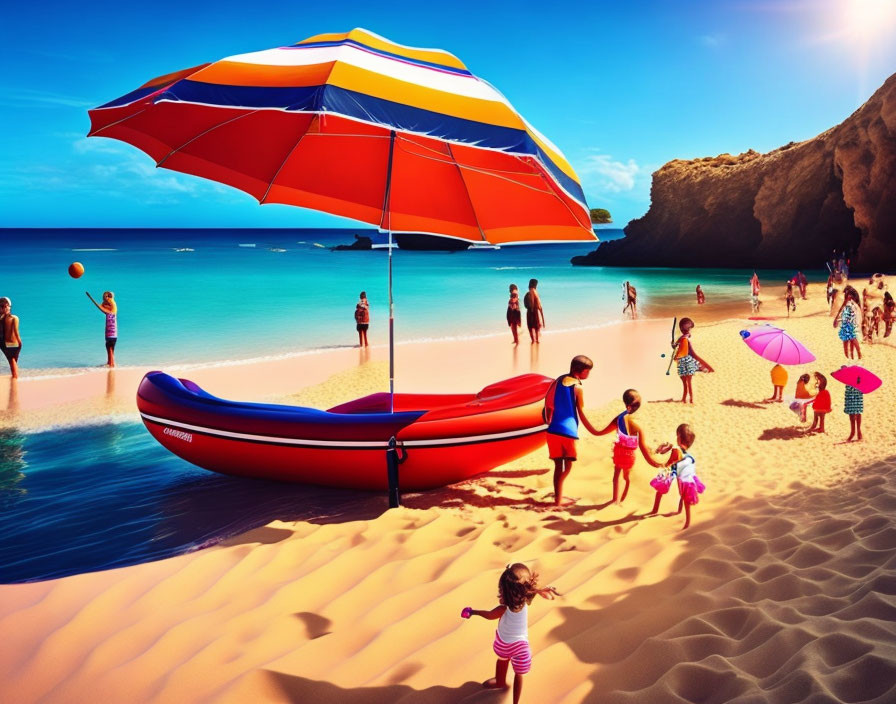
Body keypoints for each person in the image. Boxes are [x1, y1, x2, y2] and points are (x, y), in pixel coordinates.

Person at [460, 563, 560, 704]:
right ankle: (513, 699)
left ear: (506, 592)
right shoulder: (524, 600)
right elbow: (530, 592)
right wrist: (539, 591)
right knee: (519, 674)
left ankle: (500, 682)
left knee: (502, 661)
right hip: (521, 648)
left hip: (503, 643)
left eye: (501, 590)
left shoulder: (504, 608)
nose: (500, 593)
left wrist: (473, 612)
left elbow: (489, 615)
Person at [543, 355, 600, 506]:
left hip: (552, 431)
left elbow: (548, 404)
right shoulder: (578, 387)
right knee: (567, 467)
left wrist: (549, 421)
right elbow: (581, 411)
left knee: (557, 466)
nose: (588, 374)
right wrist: (594, 430)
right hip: (568, 432)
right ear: (579, 371)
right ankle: (558, 499)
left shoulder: (557, 381)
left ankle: (558, 498)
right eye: (588, 371)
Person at [593, 389, 665, 505]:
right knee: (626, 477)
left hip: (618, 452)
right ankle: (622, 498)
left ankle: (615, 499)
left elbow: (599, 432)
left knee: (616, 475)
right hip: (629, 456)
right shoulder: (636, 425)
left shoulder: (619, 418)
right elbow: (643, 450)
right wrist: (656, 463)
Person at [648, 424, 702, 529]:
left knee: (660, 492)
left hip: (673, 471)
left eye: (677, 436)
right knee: (683, 494)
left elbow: (669, 462)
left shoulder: (676, 450)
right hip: (683, 473)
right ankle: (681, 514)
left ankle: (655, 510)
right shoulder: (683, 451)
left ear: (679, 437)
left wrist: (661, 463)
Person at [672, 318, 714, 403]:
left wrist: (674, 346)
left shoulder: (683, 338)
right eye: (690, 328)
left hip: (682, 362)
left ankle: (687, 399)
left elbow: (677, 346)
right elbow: (679, 347)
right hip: (685, 362)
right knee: (687, 382)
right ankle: (688, 399)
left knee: (685, 382)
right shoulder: (684, 339)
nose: (690, 330)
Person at [86, 291, 117, 366]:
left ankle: (111, 365)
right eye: (105, 297)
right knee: (110, 348)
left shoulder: (111, 310)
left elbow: (100, 307)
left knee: (110, 348)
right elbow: (103, 305)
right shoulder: (112, 307)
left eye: (107, 296)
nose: (106, 298)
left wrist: (91, 298)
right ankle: (110, 363)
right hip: (111, 333)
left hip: (111, 333)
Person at [834, 286, 862, 359]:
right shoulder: (855, 301)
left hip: (849, 316)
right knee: (851, 337)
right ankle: (853, 354)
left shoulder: (849, 299)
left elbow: (844, 304)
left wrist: (837, 317)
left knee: (849, 337)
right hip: (852, 316)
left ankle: (851, 354)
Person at [0, 297, 21, 378]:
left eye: (5, 306)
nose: (4, 308)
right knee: (12, 361)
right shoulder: (13, 318)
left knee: (12, 361)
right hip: (8, 343)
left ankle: (15, 380)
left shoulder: (14, 318)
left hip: (10, 343)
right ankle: (14, 379)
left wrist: (19, 343)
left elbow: (16, 332)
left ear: (9, 307)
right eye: (2, 306)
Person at [523, 279, 545, 344]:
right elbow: (539, 305)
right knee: (536, 326)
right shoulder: (535, 292)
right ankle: (537, 340)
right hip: (535, 311)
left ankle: (533, 340)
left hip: (530, 311)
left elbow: (529, 302)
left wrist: (531, 308)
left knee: (530, 326)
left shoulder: (530, 292)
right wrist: (542, 317)